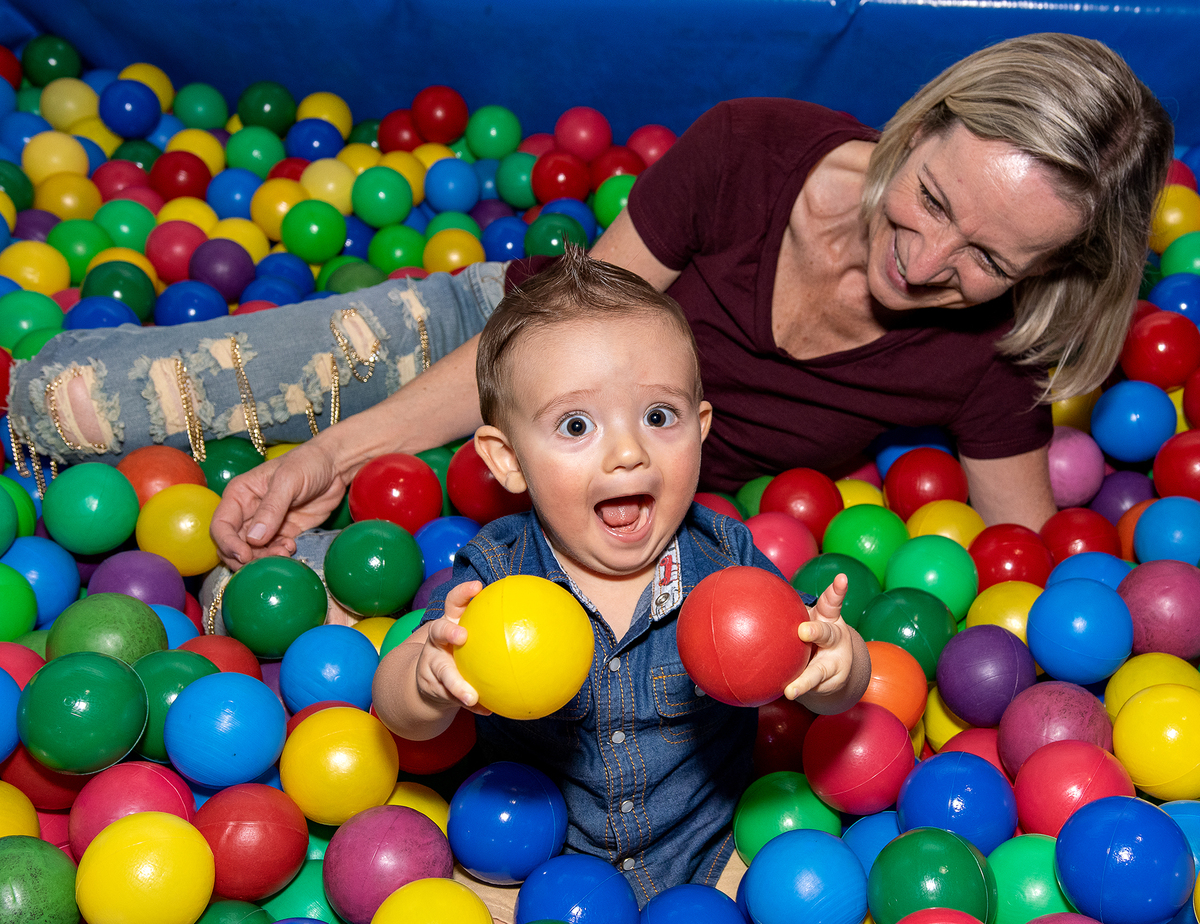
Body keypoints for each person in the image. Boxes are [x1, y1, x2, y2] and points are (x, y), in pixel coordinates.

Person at [4, 34, 1171, 563]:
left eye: (987, 262)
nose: (927, 261)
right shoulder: (751, 150)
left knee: (277, 590)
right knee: (75, 406)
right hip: (495, 338)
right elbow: (557, 345)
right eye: (931, 196)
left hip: (612, 503)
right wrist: (339, 452)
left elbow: (1015, 559)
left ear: (1048, 279)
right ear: (920, 125)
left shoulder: (996, 352)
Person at [371, 247, 870, 917]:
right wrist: (427, 676)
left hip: (710, 852)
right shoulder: (495, 575)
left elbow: (823, 685)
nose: (628, 451)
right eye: (576, 425)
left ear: (700, 430)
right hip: (529, 861)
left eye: (658, 417)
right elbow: (397, 715)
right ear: (507, 460)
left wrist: (840, 663)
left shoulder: (726, 561)